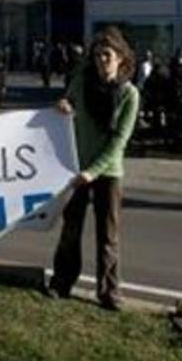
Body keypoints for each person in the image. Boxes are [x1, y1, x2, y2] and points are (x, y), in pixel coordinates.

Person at [46, 27, 140, 311]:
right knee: (70, 229)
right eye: (98, 55)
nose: (102, 61)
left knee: (107, 235)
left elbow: (118, 140)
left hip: (107, 173)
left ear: (122, 59)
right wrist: (62, 104)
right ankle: (61, 283)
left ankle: (109, 292)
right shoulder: (81, 82)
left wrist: (94, 171)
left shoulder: (129, 94)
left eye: (107, 56)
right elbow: (67, 104)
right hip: (76, 167)